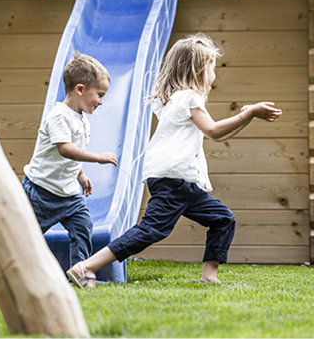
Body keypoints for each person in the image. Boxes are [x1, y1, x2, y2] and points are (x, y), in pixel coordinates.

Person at [66, 33, 282, 288]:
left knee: (222, 219)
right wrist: (251, 113)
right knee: (150, 230)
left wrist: (246, 117)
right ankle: (86, 267)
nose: (214, 75)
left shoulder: (174, 98)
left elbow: (214, 134)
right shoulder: (190, 97)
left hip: (181, 182)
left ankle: (209, 277)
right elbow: (213, 131)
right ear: (198, 70)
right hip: (174, 180)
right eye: (212, 68)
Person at [21, 51, 118, 288]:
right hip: (41, 192)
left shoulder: (82, 118)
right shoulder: (59, 116)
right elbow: (64, 149)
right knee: (24, 237)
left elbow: (72, 155)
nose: (101, 102)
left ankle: (79, 274)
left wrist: (80, 175)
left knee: (83, 226)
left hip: (68, 194)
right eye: (100, 95)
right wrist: (98, 158)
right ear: (80, 89)